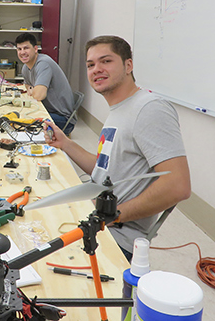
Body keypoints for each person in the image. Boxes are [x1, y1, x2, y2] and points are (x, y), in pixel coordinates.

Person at [45, 35, 191, 260]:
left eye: (106, 61)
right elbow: (104, 169)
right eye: (91, 65)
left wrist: (113, 216)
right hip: (98, 219)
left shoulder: (149, 109)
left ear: (128, 65)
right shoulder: (120, 110)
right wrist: (65, 143)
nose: (97, 69)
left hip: (116, 237)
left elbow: (178, 186)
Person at [15, 32, 75, 134]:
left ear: (35, 49)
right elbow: (27, 85)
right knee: (17, 115)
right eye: (19, 49)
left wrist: (34, 90)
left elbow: (39, 95)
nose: (22, 52)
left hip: (62, 119)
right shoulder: (26, 67)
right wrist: (33, 89)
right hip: (46, 111)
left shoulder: (43, 63)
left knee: (22, 121)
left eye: (26, 48)